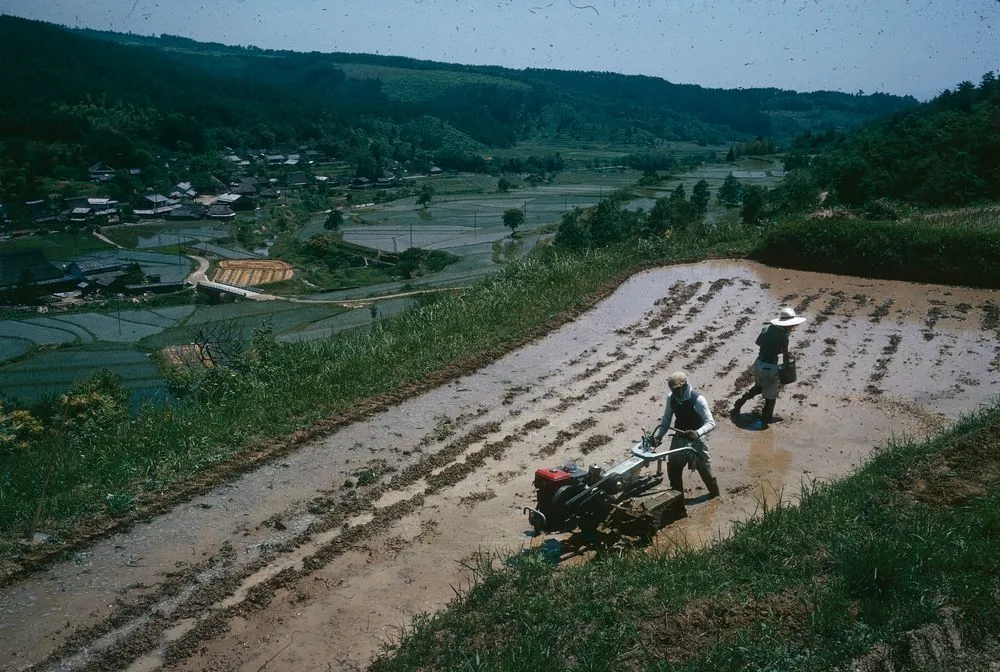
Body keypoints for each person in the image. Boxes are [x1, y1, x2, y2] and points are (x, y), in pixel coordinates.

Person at [651, 370, 720, 500]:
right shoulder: (671, 398)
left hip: (697, 441)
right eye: (673, 390)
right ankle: (678, 500)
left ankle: (715, 497)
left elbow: (711, 423)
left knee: (705, 472)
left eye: (677, 389)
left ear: (684, 385)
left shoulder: (698, 400)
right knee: (673, 469)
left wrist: (698, 432)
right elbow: (666, 420)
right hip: (679, 439)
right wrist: (659, 436)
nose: (675, 393)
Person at [732, 306, 806, 426]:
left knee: (760, 386)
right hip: (770, 367)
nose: (793, 328)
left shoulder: (766, 328)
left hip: (758, 364)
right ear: (787, 325)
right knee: (771, 396)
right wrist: (787, 366)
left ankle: (740, 402)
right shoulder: (784, 337)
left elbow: (759, 343)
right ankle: (767, 418)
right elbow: (785, 356)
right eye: (792, 326)